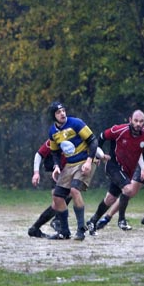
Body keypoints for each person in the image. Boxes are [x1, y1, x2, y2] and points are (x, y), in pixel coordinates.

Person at [86, 110, 144, 234]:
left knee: (110, 199)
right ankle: (121, 220)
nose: (138, 124)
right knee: (128, 189)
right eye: (136, 121)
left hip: (127, 171)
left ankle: (92, 221)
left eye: (141, 121)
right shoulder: (118, 130)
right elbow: (101, 137)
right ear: (130, 120)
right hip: (113, 166)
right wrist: (97, 155)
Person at [45, 101, 98, 241]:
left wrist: (89, 161)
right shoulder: (52, 132)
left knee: (74, 190)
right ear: (53, 116)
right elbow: (55, 152)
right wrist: (56, 166)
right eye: (58, 112)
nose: (62, 113)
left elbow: (93, 141)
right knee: (57, 196)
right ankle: (64, 231)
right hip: (70, 164)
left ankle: (81, 229)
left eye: (63, 110)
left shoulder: (76, 123)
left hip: (85, 161)